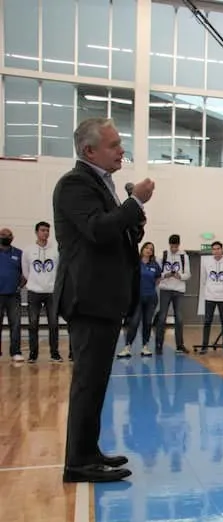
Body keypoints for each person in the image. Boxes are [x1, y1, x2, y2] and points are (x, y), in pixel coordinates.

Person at [53, 117, 154, 483]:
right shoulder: (74, 184)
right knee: (88, 381)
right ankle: (78, 462)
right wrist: (134, 202)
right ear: (89, 150)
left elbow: (116, 232)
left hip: (104, 299)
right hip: (89, 297)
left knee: (96, 381)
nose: (121, 150)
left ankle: (88, 450)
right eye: (113, 145)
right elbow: (98, 230)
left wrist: (132, 217)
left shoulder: (101, 183)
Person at [22, 221, 61, 362]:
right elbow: (26, 271)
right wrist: (34, 283)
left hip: (51, 292)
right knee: (33, 324)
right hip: (34, 292)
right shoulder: (28, 250)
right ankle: (33, 354)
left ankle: (54, 353)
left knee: (53, 324)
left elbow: (59, 269)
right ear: (36, 232)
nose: (45, 233)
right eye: (43, 230)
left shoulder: (55, 250)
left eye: (47, 230)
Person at [0, 226, 24, 362]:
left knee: (15, 324)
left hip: (13, 296)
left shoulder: (19, 253)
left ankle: (15, 352)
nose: (5, 237)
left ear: (12, 238)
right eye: (3, 234)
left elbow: (25, 272)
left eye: (8, 235)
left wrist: (19, 286)